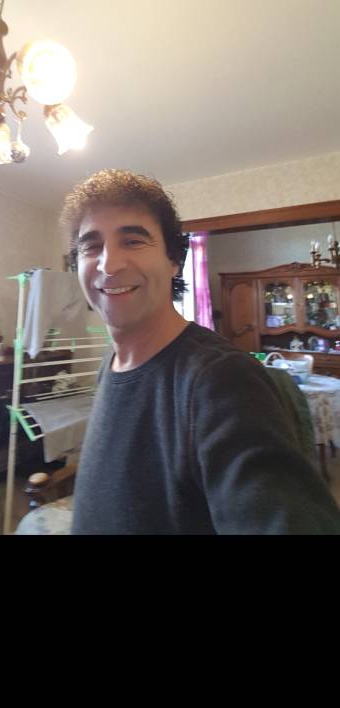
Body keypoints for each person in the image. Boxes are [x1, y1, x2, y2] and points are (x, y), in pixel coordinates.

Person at [62, 169, 340, 535]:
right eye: (91, 246)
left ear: (173, 260)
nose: (108, 264)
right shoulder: (111, 365)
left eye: (133, 240)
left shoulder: (222, 380)